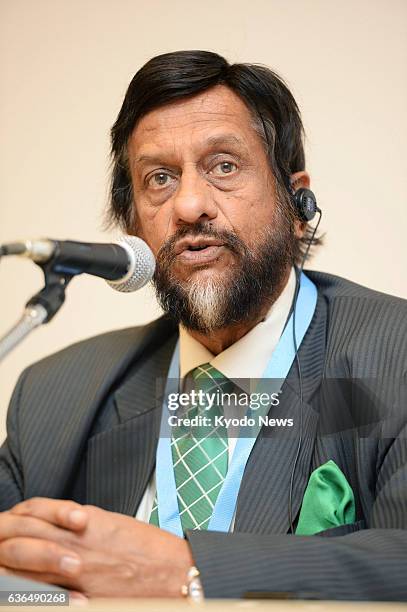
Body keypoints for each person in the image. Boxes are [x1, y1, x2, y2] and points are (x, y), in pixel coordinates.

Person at [0, 50, 406, 601]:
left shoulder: (391, 356)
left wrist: (188, 572)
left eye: (224, 166)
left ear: (296, 202)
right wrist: (43, 598)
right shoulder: (55, 394)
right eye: (160, 178)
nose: (190, 205)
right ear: (132, 226)